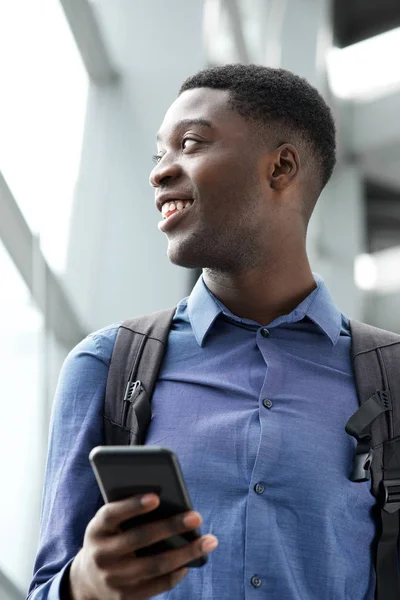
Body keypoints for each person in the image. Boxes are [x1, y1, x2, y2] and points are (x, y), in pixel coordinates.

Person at [28, 64, 377, 600]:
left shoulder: (392, 379)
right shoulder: (105, 366)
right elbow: (47, 587)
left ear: (281, 167)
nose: (160, 172)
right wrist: (85, 584)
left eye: (189, 144)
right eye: (158, 155)